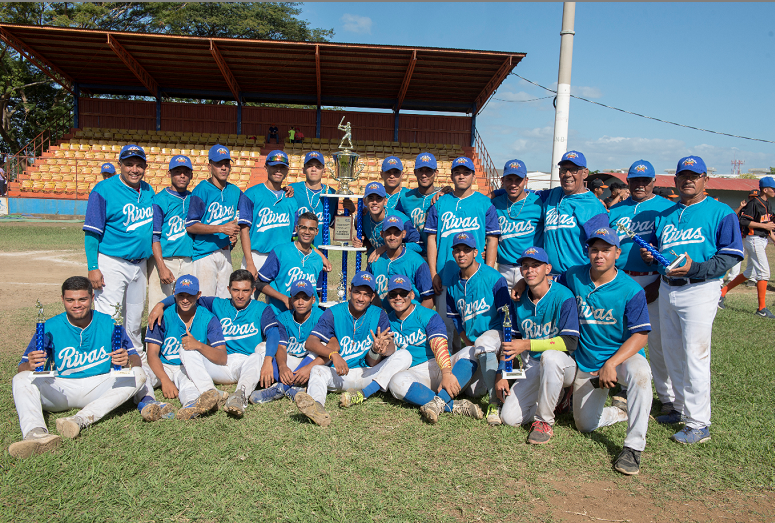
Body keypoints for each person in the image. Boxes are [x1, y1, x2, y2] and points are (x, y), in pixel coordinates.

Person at [642, 155, 743, 444]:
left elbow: (730, 256)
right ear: (675, 180)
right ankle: (680, 408)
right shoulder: (666, 214)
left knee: (695, 354)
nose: (689, 180)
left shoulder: (721, 212)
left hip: (700, 288)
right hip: (668, 286)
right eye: (683, 175)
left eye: (695, 175)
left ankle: (699, 423)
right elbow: (663, 250)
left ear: (704, 180)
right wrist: (653, 256)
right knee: (671, 350)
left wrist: (696, 269)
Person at [9, 277, 146, 458]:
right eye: (70, 300)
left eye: (82, 299)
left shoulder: (110, 323)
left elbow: (135, 359)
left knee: (138, 374)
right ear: (62, 299)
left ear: (91, 298)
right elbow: (22, 368)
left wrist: (127, 360)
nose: (76, 305)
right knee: (21, 379)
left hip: (99, 386)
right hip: (62, 388)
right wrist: (31, 364)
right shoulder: (49, 326)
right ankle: (36, 433)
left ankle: (78, 420)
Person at [559, 228, 652, 475]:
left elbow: (640, 335)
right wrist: (525, 281)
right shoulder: (574, 276)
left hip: (622, 358)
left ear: (617, 253)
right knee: (584, 425)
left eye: (606, 250)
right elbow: (550, 288)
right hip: (588, 362)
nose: (599, 255)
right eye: (595, 249)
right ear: (588, 251)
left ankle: (633, 447)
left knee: (641, 376)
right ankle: (618, 412)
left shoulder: (631, 289)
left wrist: (612, 363)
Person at [148, 270, 286, 418]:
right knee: (187, 348)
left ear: (253, 290)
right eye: (236, 290)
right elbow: (187, 297)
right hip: (219, 363)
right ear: (228, 290)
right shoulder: (217, 304)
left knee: (258, 355)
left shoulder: (262, 308)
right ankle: (211, 393)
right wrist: (161, 304)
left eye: (245, 291)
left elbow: (273, 334)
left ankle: (240, 395)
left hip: (246, 363)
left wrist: (268, 359)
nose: (240, 295)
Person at [294, 271, 412, 427]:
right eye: (357, 292)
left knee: (404, 355)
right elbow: (310, 342)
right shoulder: (334, 312)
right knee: (317, 370)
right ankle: (317, 407)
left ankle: (364, 394)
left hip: (371, 374)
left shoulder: (379, 314)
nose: (361, 298)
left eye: (366, 294)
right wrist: (333, 354)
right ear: (350, 291)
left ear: (372, 297)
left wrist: (381, 349)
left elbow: (387, 349)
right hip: (344, 374)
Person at [608, 160, 675, 415]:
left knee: (656, 340)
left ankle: (666, 396)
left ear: (653, 182)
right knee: (625, 335)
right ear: (628, 181)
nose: (640, 185)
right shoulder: (616, 210)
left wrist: (658, 279)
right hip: (621, 279)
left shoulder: (666, 208)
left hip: (652, 277)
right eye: (635, 180)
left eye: (645, 181)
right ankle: (627, 387)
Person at [496, 247, 579, 444]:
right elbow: (511, 340)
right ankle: (556, 400)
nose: (530, 270)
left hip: (563, 364)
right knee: (509, 418)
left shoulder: (563, 296)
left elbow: (570, 342)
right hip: (532, 366)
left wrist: (527, 344)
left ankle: (545, 422)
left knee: (549, 357)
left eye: (536, 266)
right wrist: (502, 373)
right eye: (525, 266)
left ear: (547, 269)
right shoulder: (518, 300)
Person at [83, 144, 154, 355]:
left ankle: (135, 355)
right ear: (120, 165)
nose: (134, 169)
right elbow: (91, 233)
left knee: (134, 315)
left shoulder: (148, 190)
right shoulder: (103, 190)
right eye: (129, 164)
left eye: (139, 165)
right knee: (109, 315)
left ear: (145, 167)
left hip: (139, 264)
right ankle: (104, 355)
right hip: (111, 262)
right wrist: (93, 267)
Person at [425, 156, 500, 350]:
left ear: (473, 176)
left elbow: (493, 239)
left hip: (476, 275)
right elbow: (431, 239)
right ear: (451, 176)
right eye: (457, 172)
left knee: (475, 330)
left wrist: (488, 271)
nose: (461, 176)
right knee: (446, 330)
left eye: (466, 172)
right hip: (445, 276)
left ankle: (476, 375)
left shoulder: (485, 203)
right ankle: (447, 374)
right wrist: (434, 272)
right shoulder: (439, 203)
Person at [385, 275, 483, 422]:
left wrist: (447, 373)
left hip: (440, 366)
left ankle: (438, 402)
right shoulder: (387, 320)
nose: (398, 298)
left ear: (412, 294)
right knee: (395, 383)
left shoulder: (427, 314)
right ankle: (451, 405)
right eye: (393, 294)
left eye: (403, 293)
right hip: (416, 374)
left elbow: (439, 344)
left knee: (471, 350)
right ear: (388, 297)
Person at [445, 232, 513, 426]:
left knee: (483, 343)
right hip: (476, 344)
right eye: (457, 250)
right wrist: (465, 339)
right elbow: (456, 319)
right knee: (473, 391)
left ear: (476, 252)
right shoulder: (452, 286)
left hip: (495, 334)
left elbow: (506, 318)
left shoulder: (493, 278)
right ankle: (494, 384)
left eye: (466, 250)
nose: (461, 254)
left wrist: (505, 353)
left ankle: (495, 403)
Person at [142, 275, 227, 421]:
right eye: (181, 295)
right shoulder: (162, 316)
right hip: (163, 366)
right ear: (174, 294)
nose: (185, 300)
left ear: (198, 295)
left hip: (186, 366)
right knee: (140, 374)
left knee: (188, 385)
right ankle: (150, 404)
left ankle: (190, 406)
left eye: (190, 295)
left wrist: (199, 345)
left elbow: (222, 357)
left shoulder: (208, 318)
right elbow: (152, 354)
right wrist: (165, 380)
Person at [186, 144, 251, 298]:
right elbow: (191, 225)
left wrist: (285, 190)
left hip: (225, 253)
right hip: (204, 254)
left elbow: (254, 201)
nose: (223, 167)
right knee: (205, 300)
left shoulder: (234, 191)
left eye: (226, 164)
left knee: (225, 301)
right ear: (210, 166)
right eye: (218, 164)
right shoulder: (201, 189)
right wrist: (221, 229)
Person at [250, 280, 326, 404]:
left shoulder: (321, 316)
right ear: (290, 300)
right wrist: (282, 366)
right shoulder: (283, 318)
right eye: (296, 298)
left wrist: (307, 368)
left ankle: (281, 387)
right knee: (262, 347)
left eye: (305, 298)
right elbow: (281, 347)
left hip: (309, 362)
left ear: (313, 300)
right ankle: (292, 387)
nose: (300, 302)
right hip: (288, 359)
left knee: (323, 347)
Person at [539, 151, 609, 274]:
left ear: (585, 173)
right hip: (549, 277)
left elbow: (601, 251)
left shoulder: (594, 207)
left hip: (578, 278)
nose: (567, 174)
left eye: (574, 170)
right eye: (563, 170)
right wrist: (497, 193)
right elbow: (524, 194)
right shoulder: (552, 195)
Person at [719, 176, 775, 318]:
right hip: (753, 239)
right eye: (772, 188)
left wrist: (772, 237)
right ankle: (761, 309)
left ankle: (721, 293)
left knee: (750, 273)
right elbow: (743, 221)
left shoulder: (767, 204)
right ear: (765, 189)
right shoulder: (754, 203)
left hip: (762, 239)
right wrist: (764, 226)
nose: (774, 191)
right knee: (764, 273)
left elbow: (767, 224)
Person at [241, 150, 299, 280]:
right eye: (274, 166)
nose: (278, 170)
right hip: (256, 255)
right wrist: (249, 262)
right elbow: (244, 230)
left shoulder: (291, 199)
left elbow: (294, 237)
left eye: (282, 167)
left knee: (276, 299)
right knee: (247, 298)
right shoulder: (251, 194)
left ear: (287, 171)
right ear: (266, 167)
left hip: (281, 257)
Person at [147, 155, 194, 308]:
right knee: (158, 306)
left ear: (191, 175)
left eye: (186, 172)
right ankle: (153, 333)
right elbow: (154, 236)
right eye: (177, 172)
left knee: (186, 307)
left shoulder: (194, 199)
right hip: (165, 260)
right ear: (169, 174)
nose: (182, 176)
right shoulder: (160, 200)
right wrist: (161, 267)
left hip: (188, 260)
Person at [256, 212, 326, 313]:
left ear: (317, 231)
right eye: (303, 227)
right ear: (297, 229)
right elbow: (259, 282)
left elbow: (317, 292)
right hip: (281, 315)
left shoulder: (318, 259)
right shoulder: (280, 251)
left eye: (311, 229)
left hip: (307, 318)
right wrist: (284, 298)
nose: (307, 232)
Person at [491, 159, 543, 291]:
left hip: (530, 267)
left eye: (518, 180)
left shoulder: (538, 203)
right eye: (509, 179)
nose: (513, 184)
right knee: (503, 310)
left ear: (526, 180)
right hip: (503, 267)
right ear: (502, 180)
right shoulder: (495, 203)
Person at [367, 214, 435, 311]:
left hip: (412, 317)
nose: (392, 237)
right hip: (384, 319)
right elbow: (368, 294)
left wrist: (413, 319)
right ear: (382, 234)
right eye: (388, 233)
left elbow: (429, 299)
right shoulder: (374, 261)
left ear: (403, 234)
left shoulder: (416, 261)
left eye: (396, 233)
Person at [395, 152, 450, 257]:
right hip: (414, 254)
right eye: (421, 170)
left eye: (429, 171)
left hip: (439, 255)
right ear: (415, 172)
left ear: (436, 173)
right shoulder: (405, 199)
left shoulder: (444, 196)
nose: (424, 175)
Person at [290, 151, 343, 248]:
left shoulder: (332, 193)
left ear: (324, 170)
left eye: (318, 166)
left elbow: (333, 223)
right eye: (310, 166)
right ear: (303, 169)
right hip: (296, 248)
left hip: (321, 250)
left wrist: (349, 212)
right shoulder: (293, 189)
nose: (314, 169)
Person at [357, 182, 421, 261]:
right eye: (370, 198)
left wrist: (388, 246)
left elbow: (419, 246)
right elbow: (363, 236)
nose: (374, 202)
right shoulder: (363, 218)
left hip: (400, 264)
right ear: (364, 201)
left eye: (379, 198)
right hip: (376, 264)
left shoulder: (400, 219)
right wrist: (359, 241)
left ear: (385, 201)